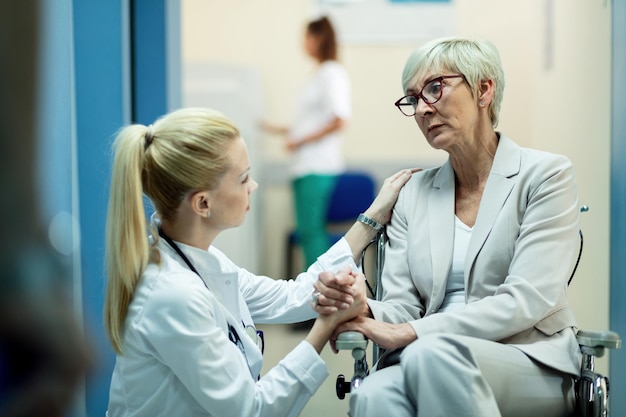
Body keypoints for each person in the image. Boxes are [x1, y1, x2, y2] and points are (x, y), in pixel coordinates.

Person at [319, 37, 582, 417]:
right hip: (425, 356)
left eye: (435, 88)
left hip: (527, 357)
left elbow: (526, 300)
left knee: (431, 353)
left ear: (483, 89)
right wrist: (364, 312)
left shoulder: (545, 175)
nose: (423, 109)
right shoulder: (414, 194)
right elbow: (404, 306)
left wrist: (412, 334)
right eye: (413, 98)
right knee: (373, 395)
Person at [103, 107, 416, 417]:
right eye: (243, 179)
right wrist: (326, 326)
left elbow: (289, 296)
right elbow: (251, 410)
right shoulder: (173, 294)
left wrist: (372, 218)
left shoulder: (198, 260)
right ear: (203, 203)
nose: (253, 186)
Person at [262, 15, 351, 268]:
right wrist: (272, 128)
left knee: (311, 233)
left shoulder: (332, 73)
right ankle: (319, 296)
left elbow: (339, 120)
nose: (304, 43)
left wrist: (299, 140)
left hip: (317, 166)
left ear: (319, 38)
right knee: (308, 233)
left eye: (307, 37)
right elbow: (309, 123)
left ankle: (322, 298)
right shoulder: (318, 74)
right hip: (305, 166)